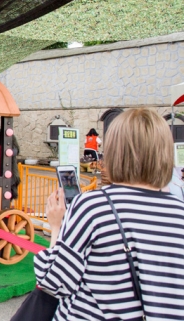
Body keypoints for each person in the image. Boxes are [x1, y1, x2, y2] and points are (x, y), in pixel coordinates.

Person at [33, 108, 184, 320]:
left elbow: (55, 282)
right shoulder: (179, 213)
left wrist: (56, 227)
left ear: (115, 152)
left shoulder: (92, 207)